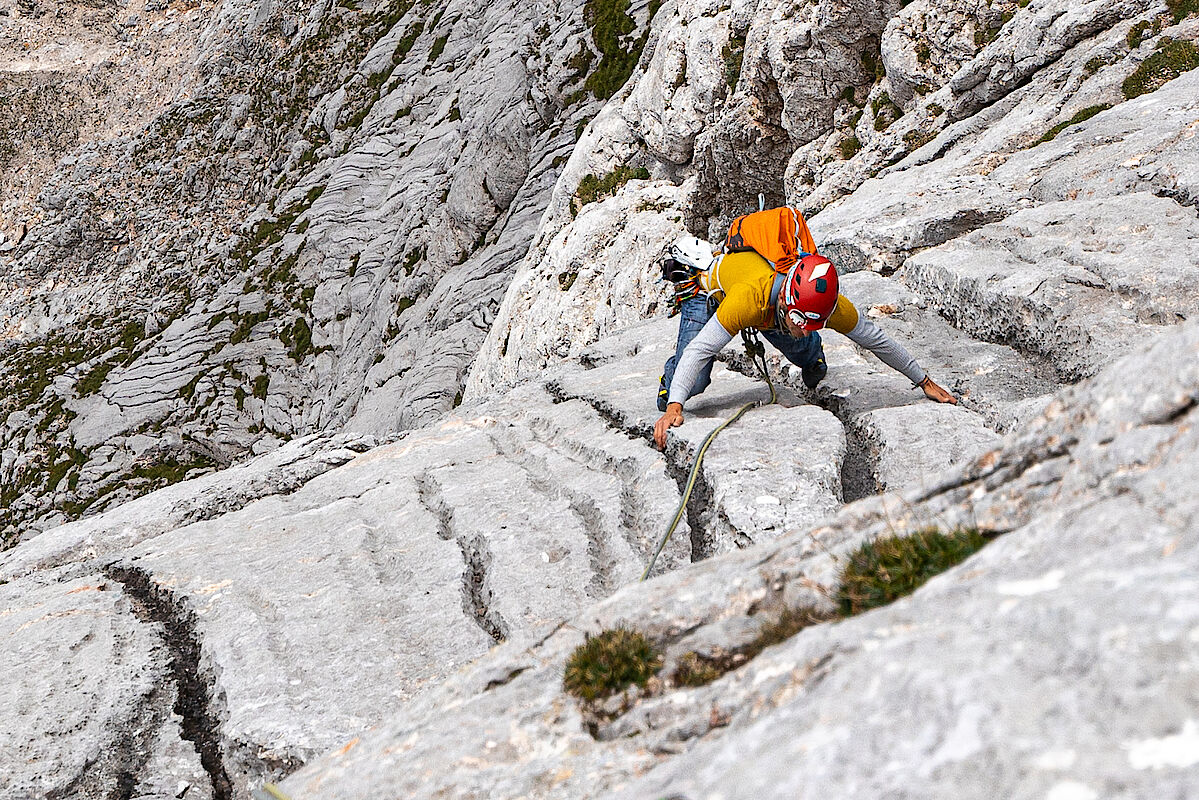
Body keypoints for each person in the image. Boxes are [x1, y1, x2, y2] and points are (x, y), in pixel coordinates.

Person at [654, 236, 956, 449]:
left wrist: (923, 380)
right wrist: (675, 406)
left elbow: (877, 341)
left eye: (814, 326)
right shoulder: (747, 300)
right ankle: (670, 379)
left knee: (800, 346)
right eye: (802, 323)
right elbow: (700, 349)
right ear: (787, 304)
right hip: (708, 294)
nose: (805, 328)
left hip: (772, 311)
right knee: (692, 381)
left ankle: (813, 355)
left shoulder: (830, 305)